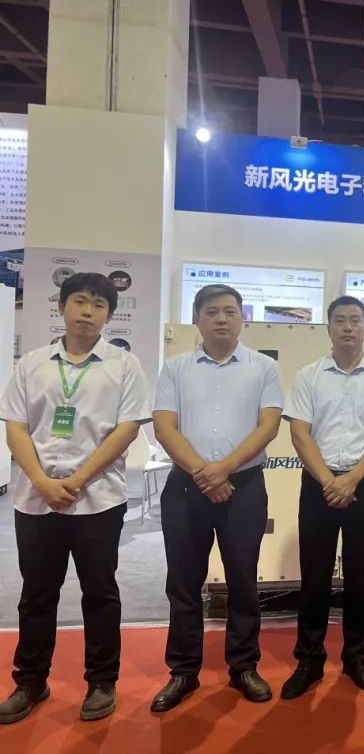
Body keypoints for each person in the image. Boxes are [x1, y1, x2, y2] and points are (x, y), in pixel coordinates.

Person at [0, 273, 151, 725]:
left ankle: (102, 682)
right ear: (62, 307)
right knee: (37, 594)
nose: (88, 311)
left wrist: (80, 477)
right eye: (80, 301)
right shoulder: (32, 364)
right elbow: (16, 426)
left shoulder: (124, 366)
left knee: (100, 593)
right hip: (36, 500)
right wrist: (41, 481)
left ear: (109, 314)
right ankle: (30, 681)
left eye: (99, 305)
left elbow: (128, 428)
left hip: (98, 500)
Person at [150, 284, 283, 712]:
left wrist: (223, 469)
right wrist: (204, 473)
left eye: (230, 311)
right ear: (197, 319)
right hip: (186, 488)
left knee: (243, 579)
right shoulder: (175, 368)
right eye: (212, 312)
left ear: (243, 317)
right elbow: (164, 427)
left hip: (243, 488)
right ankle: (183, 670)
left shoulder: (264, 367)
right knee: (183, 582)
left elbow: (268, 426)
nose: (222, 319)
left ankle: (243, 666)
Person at [279, 296, 364, 699]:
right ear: (328, 328)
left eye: (355, 321)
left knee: (360, 577)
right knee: (314, 577)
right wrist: (330, 480)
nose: (348, 327)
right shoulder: (309, 376)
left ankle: (356, 656)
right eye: (340, 321)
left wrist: (352, 479)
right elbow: (300, 433)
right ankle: (309, 660)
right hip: (319, 483)